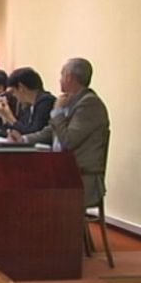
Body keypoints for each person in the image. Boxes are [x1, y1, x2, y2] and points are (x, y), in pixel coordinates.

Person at [18, 58, 110, 207]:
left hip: (80, 176)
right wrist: (23, 139)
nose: (60, 79)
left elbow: (68, 141)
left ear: (69, 77)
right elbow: (51, 131)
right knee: (23, 182)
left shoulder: (89, 104)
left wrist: (58, 112)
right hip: (61, 169)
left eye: (62, 75)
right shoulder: (70, 100)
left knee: (31, 192)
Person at [0, 67, 55, 135]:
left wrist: (9, 116)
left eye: (13, 91)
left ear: (21, 87)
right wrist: (4, 116)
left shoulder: (46, 101)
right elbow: (18, 129)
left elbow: (33, 132)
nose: (14, 95)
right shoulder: (28, 105)